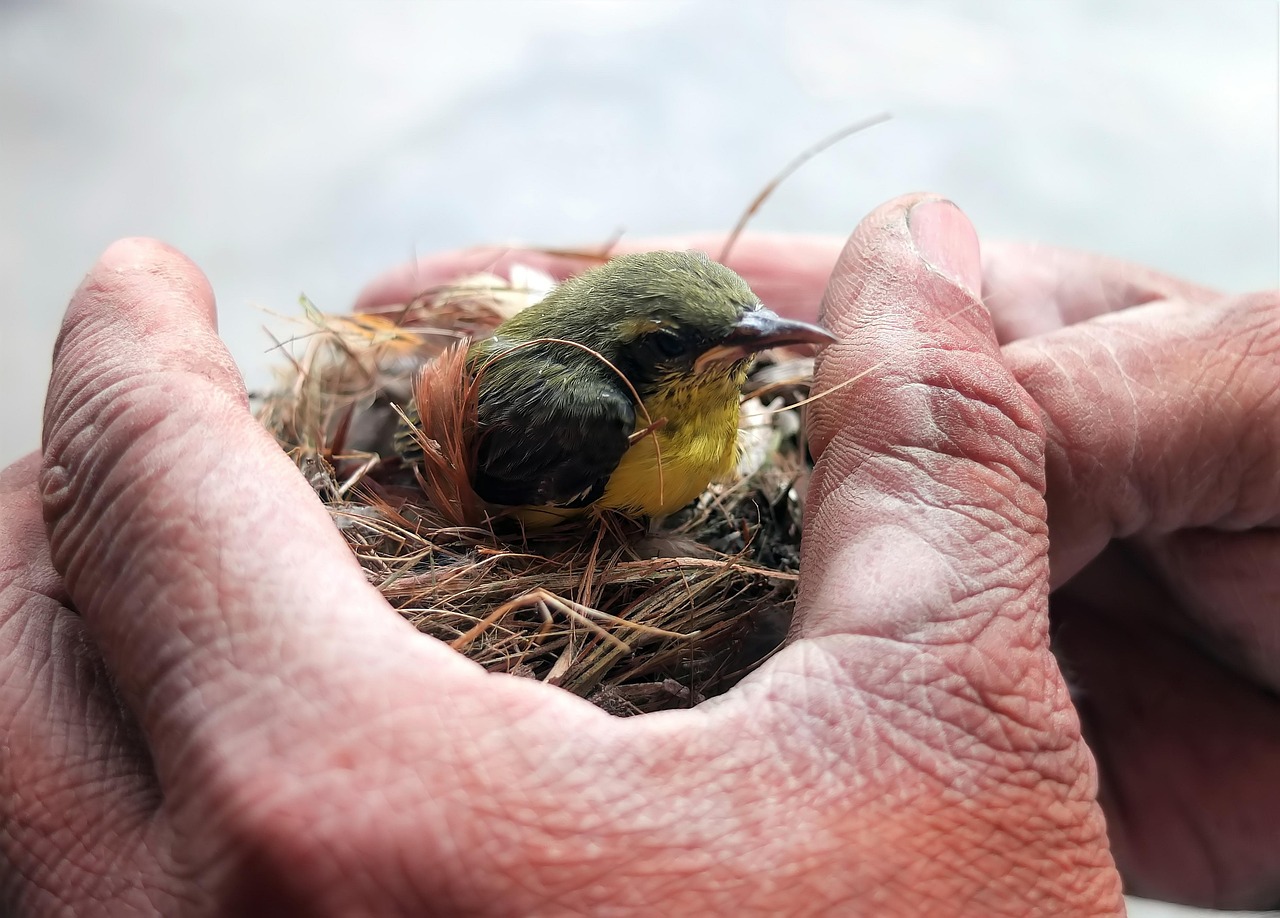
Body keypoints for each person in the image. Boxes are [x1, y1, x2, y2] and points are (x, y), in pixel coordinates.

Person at [0, 193, 1274, 916]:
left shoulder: (714, 414)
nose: (763, 342)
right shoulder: (583, 415)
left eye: (750, 334)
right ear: (634, 362)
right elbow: (430, 458)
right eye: (706, 343)